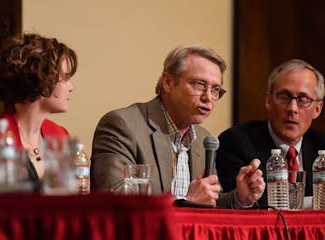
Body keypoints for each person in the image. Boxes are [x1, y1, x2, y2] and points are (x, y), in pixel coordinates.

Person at [91, 44, 265, 208]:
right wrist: (186, 201)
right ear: (168, 82)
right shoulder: (123, 125)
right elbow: (112, 199)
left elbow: (208, 203)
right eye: (199, 85)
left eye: (215, 89)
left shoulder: (204, 140)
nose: (208, 97)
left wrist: (240, 198)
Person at [216, 58, 325, 208]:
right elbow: (245, 201)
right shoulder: (236, 141)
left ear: (317, 109)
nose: (293, 108)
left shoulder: (324, 144)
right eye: (284, 97)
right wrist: (321, 199)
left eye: (303, 100)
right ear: (269, 101)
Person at [0, 33, 78, 188]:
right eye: (65, 78)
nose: (71, 87)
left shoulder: (60, 135)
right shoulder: (0, 137)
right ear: (41, 80)